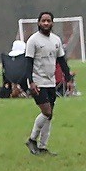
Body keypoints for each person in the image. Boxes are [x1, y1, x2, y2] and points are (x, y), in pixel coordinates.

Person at [25, 12, 72, 156]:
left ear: (52, 23)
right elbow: (28, 63)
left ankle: (43, 147)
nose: (46, 23)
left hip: (51, 82)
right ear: (38, 23)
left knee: (49, 116)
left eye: (48, 21)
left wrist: (69, 79)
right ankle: (32, 139)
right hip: (38, 81)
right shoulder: (33, 40)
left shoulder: (56, 40)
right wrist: (31, 82)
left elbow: (62, 61)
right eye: (43, 21)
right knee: (46, 112)